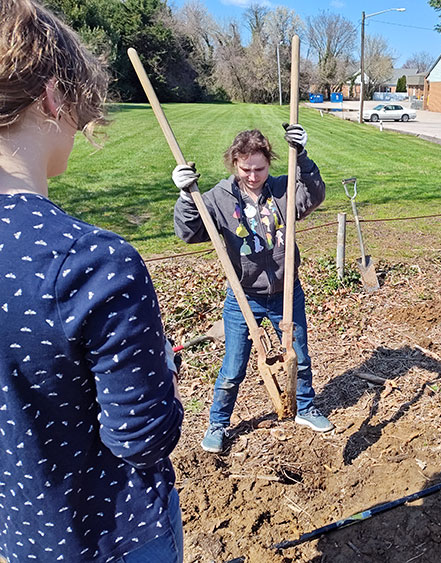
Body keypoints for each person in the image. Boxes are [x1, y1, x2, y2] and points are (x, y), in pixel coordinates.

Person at [0, 1, 185, 561]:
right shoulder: (88, 263)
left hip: (16, 535)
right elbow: (142, 435)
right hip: (109, 536)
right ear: (53, 96)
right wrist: (164, 374)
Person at [172, 126, 333, 454]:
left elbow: (314, 195)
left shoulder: (281, 190)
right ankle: (218, 423)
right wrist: (187, 196)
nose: (253, 175)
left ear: (269, 164)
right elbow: (190, 232)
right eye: (246, 169)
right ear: (234, 163)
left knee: (299, 357)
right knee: (234, 366)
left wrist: (302, 157)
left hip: (287, 292)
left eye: (260, 168)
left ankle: (306, 409)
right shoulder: (219, 197)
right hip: (243, 295)